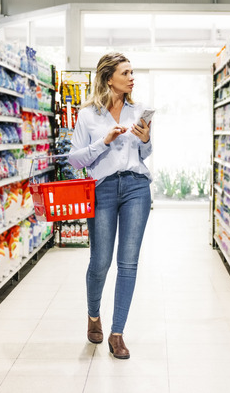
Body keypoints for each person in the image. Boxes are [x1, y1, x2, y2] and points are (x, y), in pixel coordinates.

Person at [68, 52, 153, 359]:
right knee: (100, 262)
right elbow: (75, 159)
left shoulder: (139, 110)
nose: (132, 77)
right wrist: (102, 142)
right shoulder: (88, 114)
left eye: (132, 72)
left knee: (128, 263)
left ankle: (117, 334)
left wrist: (145, 140)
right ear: (109, 78)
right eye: (126, 72)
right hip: (102, 189)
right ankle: (93, 315)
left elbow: (145, 154)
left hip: (136, 187)